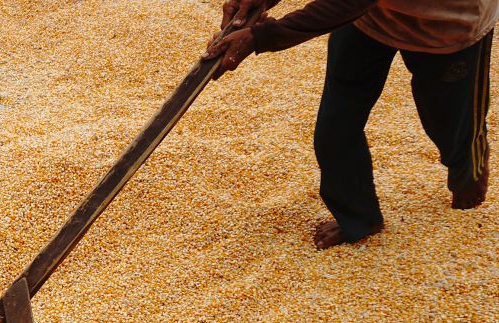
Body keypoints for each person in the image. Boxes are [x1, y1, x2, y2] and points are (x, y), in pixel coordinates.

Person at [205, 0, 496, 248]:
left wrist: (261, 36)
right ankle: (358, 217)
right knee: (336, 120)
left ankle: (468, 170)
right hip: (369, 18)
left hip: (449, 23)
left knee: (450, 122)